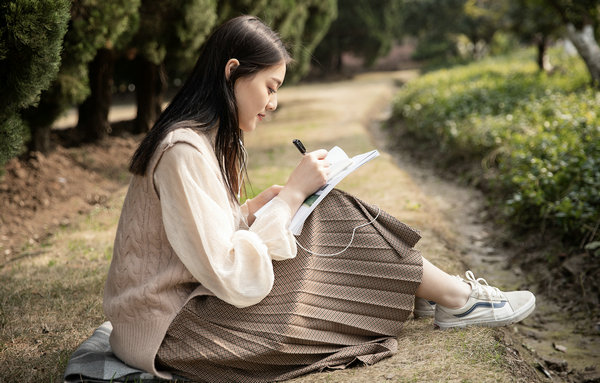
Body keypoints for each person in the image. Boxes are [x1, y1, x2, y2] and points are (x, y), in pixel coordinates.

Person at [103, 15, 536, 382]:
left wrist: (257, 207)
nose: (272, 103)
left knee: (321, 206)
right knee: (324, 211)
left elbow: (198, 235)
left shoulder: (199, 141)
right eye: (270, 87)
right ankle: (453, 298)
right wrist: (290, 196)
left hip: (185, 317)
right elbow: (231, 273)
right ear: (232, 72)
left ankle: (437, 293)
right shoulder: (183, 149)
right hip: (177, 335)